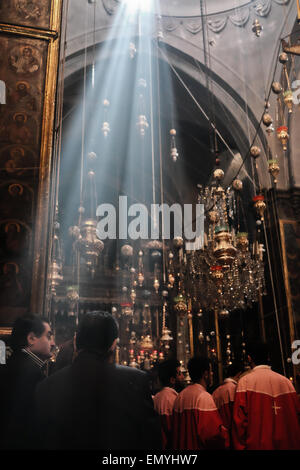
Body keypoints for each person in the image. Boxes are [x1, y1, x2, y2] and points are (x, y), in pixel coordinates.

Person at [34, 311, 162, 450]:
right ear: (113, 344)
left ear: (76, 341)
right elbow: (151, 440)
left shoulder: (46, 386)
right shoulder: (135, 380)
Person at [232, 342, 300, 450]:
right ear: (268, 357)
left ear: (249, 358)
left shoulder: (244, 383)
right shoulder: (287, 383)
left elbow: (239, 424)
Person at [0, 314, 54, 449]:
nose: (53, 343)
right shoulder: (31, 373)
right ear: (31, 338)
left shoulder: (13, 364)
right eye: (48, 336)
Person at [172, 356, 228, 450]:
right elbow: (212, 435)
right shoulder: (204, 397)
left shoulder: (179, 397)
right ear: (205, 374)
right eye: (210, 371)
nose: (212, 373)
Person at [153, 358, 184, 449]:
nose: (183, 377)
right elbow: (174, 432)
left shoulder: (158, 396)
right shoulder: (171, 399)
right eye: (179, 374)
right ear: (172, 380)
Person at [212, 362, 243, 443]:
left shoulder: (216, 391)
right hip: (233, 437)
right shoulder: (235, 389)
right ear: (239, 375)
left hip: (220, 437)